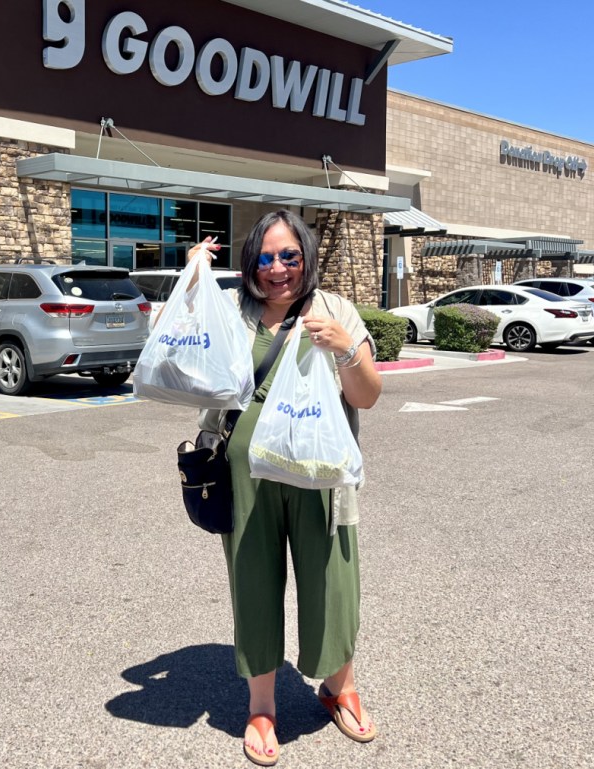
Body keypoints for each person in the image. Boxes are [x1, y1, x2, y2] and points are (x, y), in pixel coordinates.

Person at [188, 209, 382, 766]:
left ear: (307, 258)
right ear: (251, 263)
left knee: (332, 580)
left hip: (322, 478)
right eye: (266, 257)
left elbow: (366, 397)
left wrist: (345, 347)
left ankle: (338, 686)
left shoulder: (334, 309)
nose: (278, 269)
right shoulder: (234, 310)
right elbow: (183, 351)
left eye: (289, 256)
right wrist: (194, 283)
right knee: (253, 583)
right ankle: (263, 707)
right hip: (246, 476)